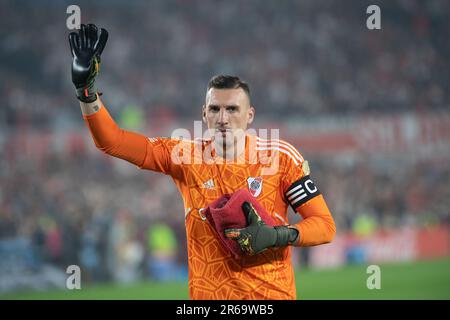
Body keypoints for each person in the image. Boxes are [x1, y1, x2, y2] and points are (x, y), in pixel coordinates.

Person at [68, 24, 336, 300]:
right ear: (204, 114)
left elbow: (325, 225)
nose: (223, 118)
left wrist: (278, 235)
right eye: (215, 109)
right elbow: (113, 141)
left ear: (250, 115)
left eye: (232, 109)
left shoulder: (280, 157)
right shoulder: (185, 158)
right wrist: (85, 91)